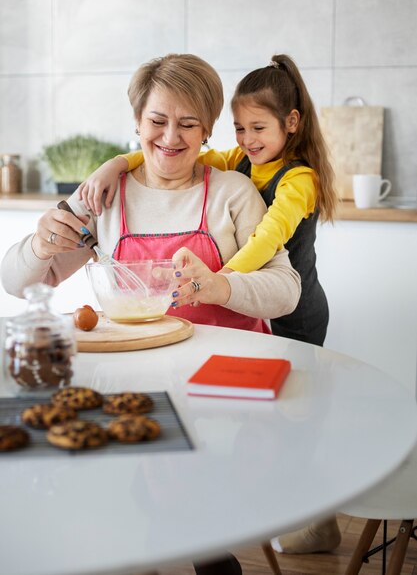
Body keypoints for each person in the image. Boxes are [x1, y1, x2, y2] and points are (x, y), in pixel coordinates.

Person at [1, 53, 302, 575]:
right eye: (157, 121)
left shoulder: (232, 194)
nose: (170, 137)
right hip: (138, 386)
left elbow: (285, 289)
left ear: (208, 130)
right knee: (134, 513)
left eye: (188, 123)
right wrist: (41, 245)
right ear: (137, 122)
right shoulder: (105, 195)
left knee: (203, 521)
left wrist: (219, 285)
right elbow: (20, 281)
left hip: (222, 389)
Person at [76, 53, 341, 554]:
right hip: (187, 358)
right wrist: (116, 162)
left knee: (294, 424)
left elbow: (266, 243)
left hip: (296, 314)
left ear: (291, 123)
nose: (246, 139)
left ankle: (307, 511)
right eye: (239, 128)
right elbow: (167, 155)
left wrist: (219, 281)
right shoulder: (239, 162)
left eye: (257, 127)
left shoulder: (295, 180)